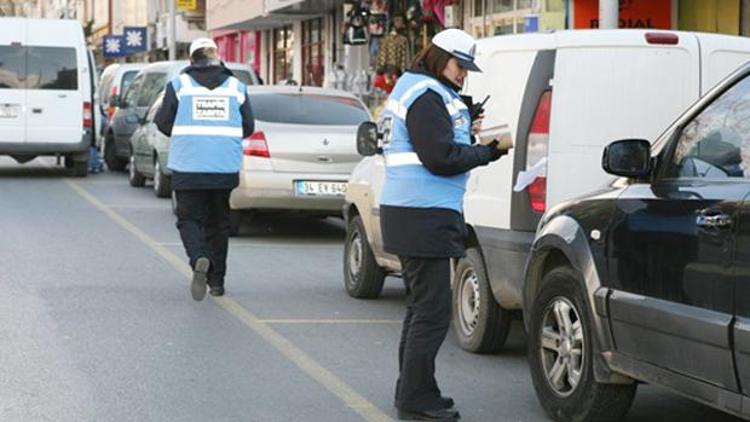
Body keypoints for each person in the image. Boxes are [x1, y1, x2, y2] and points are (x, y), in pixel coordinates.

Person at [379, 29, 508, 421]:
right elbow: (438, 156)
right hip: (422, 213)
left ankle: (416, 389)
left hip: (417, 211)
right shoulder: (425, 96)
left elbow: (438, 142)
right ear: (438, 58)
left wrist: (465, 119)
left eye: (468, 69)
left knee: (421, 309)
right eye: (459, 66)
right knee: (432, 312)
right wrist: (487, 152)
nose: (463, 74)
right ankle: (415, 398)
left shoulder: (420, 89)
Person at [154, 38, 255, 301]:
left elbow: (163, 122)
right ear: (216, 57)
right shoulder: (236, 87)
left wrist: (186, 132)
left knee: (189, 220)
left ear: (191, 60)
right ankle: (217, 282)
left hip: (188, 165)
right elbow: (248, 126)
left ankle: (199, 257)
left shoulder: (179, 85)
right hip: (224, 167)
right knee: (219, 223)